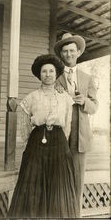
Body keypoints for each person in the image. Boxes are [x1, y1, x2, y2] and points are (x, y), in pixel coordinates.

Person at [8, 54, 79, 218]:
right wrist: (30, 143)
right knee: (34, 182)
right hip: (37, 142)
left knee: (58, 182)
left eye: (51, 71)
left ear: (56, 74)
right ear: (39, 75)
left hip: (59, 142)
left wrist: (62, 141)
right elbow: (24, 125)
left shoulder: (65, 98)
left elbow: (68, 124)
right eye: (44, 71)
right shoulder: (31, 97)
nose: (48, 74)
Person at [54, 33, 99, 216]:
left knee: (78, 180)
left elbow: (95, 105)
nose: (68, 54)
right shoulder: (54, 76)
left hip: (80, 136)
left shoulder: (87, 78)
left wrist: (84, 102)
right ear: (61, 55)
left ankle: (76, 215)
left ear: (78, 52)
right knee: (59, 177)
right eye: (65, 51)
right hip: (60, 134)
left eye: (72, 50)